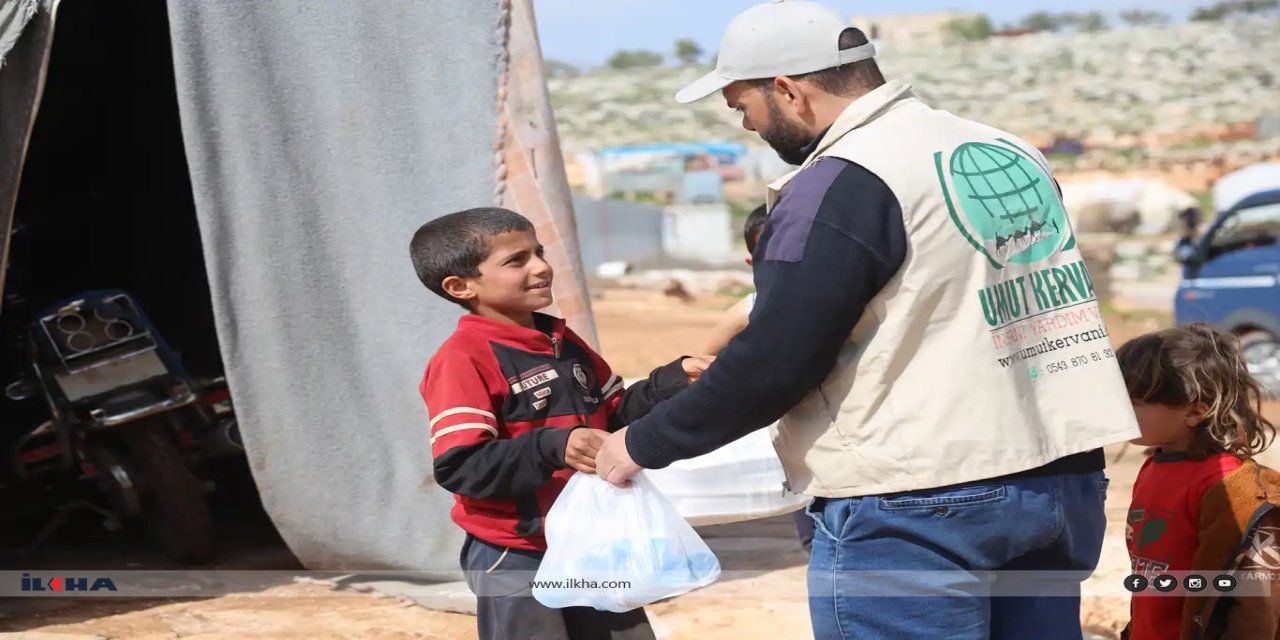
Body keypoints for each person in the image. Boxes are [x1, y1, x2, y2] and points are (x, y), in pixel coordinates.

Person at [591, 2, 1141, 638]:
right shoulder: (1002, 148)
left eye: (743, 106)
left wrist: (641, 443)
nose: (747, 126)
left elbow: (775, 360)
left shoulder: (845, 181)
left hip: (920, 501)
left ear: (788, 91)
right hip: (1059, 483)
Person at [409, 207, 710, 640]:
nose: (541, 267)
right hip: (517, 553)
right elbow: (461, 466)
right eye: (517, 260)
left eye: (539, 252)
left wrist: (670, 381)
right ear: (461, 286)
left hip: (593, 541)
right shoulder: (463, 359)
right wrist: (553, 446)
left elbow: (615, 414)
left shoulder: (564, 342)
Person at [1117, 325, 1280, 640]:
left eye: (1135, 402)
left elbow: (1258, 604)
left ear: (1195, 410)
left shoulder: (1235, 488)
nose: (1120, 411)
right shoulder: (1153, 467)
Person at [701, 204, 815, 553]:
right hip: (799, 448)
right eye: (770, 254)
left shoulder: (842, 295)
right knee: (817, 533)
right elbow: (698, 363)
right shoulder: (749, 309)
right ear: (751, 262)